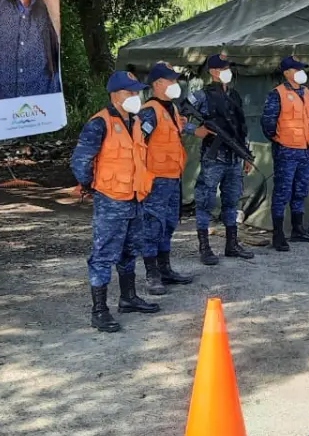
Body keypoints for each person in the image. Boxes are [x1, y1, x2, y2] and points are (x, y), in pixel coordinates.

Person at [70, 71, 160, 333]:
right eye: (130, 92)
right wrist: (89, 185)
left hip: (135, 198)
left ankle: (128, 298)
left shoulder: (136, 121)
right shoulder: (99, 123)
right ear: (115, 96)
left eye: (137, 92)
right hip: (111, 200)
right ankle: (99, 311)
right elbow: (80, 161)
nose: (136, 96)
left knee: (130, 250)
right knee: (103, 255)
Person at [135, 63, 198, 294]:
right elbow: (138, 144)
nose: (175, 85)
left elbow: (175, 133)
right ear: (158, 84)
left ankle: (165, 269)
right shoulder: (149, 111)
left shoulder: (171, 109)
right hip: (156, 179)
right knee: (152, 226)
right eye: (171, 81)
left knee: (169, 223)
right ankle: (152, 274)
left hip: (173, 177)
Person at [187, 53, 255, 264]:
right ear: (213, 71)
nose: (228, 71)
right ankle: (205, 248)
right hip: (214, 157)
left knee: (232, 200)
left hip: (234, 157)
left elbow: (240, 128)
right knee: (205, 201)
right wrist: (195, 129)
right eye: (224, 68)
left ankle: (232, 244)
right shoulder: (201, 96)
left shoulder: (234, 96)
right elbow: (175, 116)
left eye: (229, 67)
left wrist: (246, 154)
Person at [261, 56, 309, 252]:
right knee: (282, 192)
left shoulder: (305, 92)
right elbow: (267, 123)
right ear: (287, 72)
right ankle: (278, 234)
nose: (301, 72)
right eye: (297, 69)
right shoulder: (277, 94)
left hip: (304, 149)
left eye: (301, 69)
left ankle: (298, 229)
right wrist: (279, 139)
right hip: (286, 149)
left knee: (301, 189)